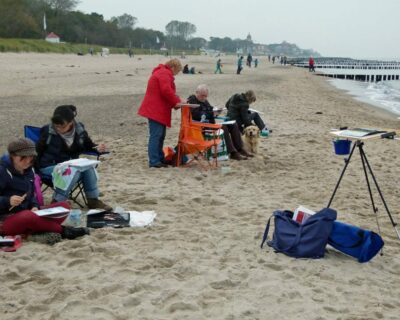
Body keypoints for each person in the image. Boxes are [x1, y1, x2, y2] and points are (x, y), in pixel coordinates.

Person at [0, 138, 89, 242]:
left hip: (25, 213)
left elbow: (31, 194)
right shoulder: (2, 171)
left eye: (31, 157)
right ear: (12, 155)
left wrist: (34, 206)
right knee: (28, 216)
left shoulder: (29, 170)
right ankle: (64, 231)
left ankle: (37, 231)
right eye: (24, 157)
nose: (28, 161)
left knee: (64, 206)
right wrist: (7, 200)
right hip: (5, 220)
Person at [36, 105, 112, 210]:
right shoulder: (47, 131)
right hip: (49, 167)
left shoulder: (79, 130)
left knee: (88, 168)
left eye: (62, 126)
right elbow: (37, 151)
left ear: (71, 122)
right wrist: (35, 171)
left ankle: (93, 200)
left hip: (71, 166)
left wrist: (96, 148)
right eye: (56, 126)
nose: (58, 129)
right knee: (72, 171)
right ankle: (57, 202)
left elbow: (88, 144)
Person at [187, 84, 253, 160]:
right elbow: (196, 114)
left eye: (206, 96)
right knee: (223, 127)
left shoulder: (204, 100)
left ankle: (240, 149)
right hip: (201, 127)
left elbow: (210, 108)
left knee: (233, 124)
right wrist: (211, 113)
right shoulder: (192, 101)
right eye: (202, 96)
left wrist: (217, 110)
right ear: (197, 92)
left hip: (210, 124)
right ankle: (232, 152)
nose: (204, 98)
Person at [138, 58, 183, 168]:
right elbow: (166, 91)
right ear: (173, 67)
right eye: (176, 71)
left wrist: (176, 102)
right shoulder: (164, 73)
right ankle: (154, 160)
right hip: (155, 110)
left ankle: (159, 158)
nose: (176, 74)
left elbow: (166, 92)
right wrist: (177, 102)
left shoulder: (162, 72)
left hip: (157, 109)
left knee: (160, 135)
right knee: (156, 135)